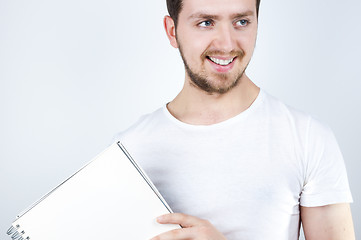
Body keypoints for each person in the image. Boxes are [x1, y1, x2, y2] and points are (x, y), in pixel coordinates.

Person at [114, 0, 355, 239]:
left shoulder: (308, 138)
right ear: (172, 31)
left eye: (241, 22)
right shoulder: (128, 151)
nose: (227, 44)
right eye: (206, 22)